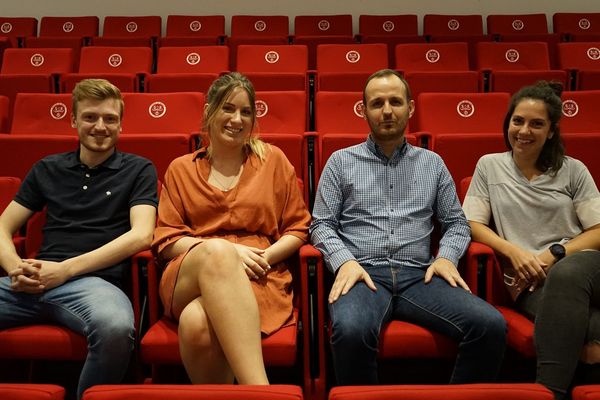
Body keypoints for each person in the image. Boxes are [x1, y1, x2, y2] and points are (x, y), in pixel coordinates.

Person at [310, 69, 507, 385]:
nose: (387, 111)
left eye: (395, 102)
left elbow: (456, 223)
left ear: (410, 108)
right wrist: (344, 261)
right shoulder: (340, 161)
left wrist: (446, 258)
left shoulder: (432, 163)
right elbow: (321, 224)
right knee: (352, 331)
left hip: (420, 276)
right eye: (377, 103)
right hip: (363, 273)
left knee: (490, 325)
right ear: (363, 110)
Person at [0, 79, 158, 399]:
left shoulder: (139, 169)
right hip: (32, 279)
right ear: (73, 120)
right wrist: (16, 267)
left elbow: (142, 235)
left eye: (110, 119)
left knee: (115, 329)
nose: (100, 126)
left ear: (121, 124)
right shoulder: (47, 168)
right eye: (90, 117)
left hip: (94, 283)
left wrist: (66, 270)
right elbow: (3, 226)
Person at [152, 72, 310, 384]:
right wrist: (228, 251)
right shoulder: (181, 169)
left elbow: (298, 228)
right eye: (227, 108)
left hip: (259, 271)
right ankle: (261, 391)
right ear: (209, 111)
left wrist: (264, 257)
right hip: (188, 273)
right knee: (217, 252)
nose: (237, 119)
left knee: (196, 323)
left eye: (246, 111)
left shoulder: (273, 162)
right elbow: (167, 239)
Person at [463, 81, 600, 399]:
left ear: (552, 131)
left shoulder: (573, 171)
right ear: (508, 123)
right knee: (591, 325)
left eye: (537, 124)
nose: (524, 130)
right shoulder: (490, 166)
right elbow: (472, 223)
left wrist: (555, 253)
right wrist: (514, 252)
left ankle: (548, 391)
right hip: (531, 282)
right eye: (518, 121)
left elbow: (597, 229)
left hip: (583, 266)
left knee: (568, 272)